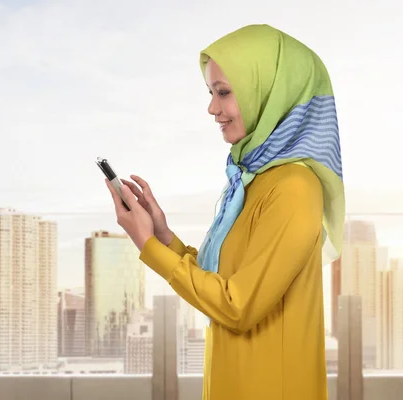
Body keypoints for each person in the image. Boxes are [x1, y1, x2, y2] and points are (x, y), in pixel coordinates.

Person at [105, 24, 345, 400]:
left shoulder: (294, 188)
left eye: (224, 93)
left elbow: (237, 306)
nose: (212, 108)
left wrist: (147, 244)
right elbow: (219, 280)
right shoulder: (253, 181)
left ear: (268, 92)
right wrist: (164, 236)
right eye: (211, 93)